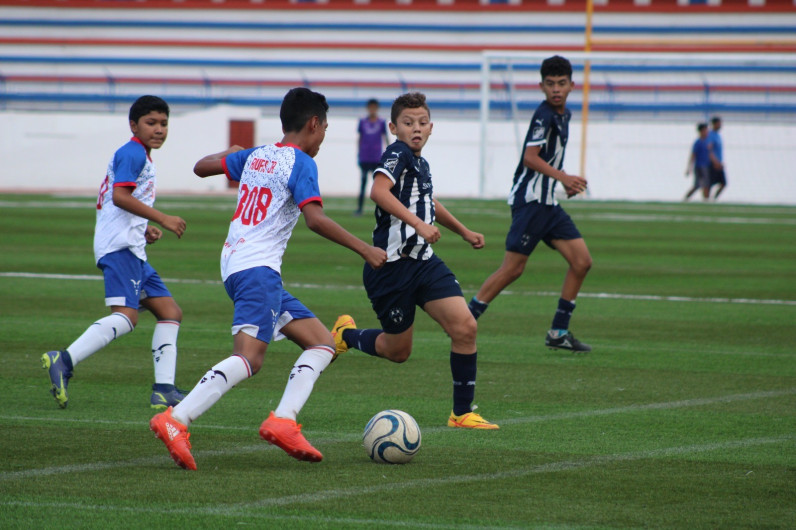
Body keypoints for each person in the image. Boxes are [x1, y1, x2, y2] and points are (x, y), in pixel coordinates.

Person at [149, 87, 387, 470]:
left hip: (239, 265)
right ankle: (177, 418)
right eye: (324, 129)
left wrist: (232, 153)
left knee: (322, 342)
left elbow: (201, 167)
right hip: (256, 269)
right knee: (249, 358)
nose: (323, 138)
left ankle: (283, 420)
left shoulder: (257, 154)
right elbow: (316, 220)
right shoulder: (301, 163)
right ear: (313, 124)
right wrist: (365, 249)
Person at [331, 92, 499, 430]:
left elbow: (428, 202)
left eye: (422, 122)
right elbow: (378, 191)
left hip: (424, 263)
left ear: (431, 127)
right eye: (408, 123)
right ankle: (346, 335)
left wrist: (463, 231)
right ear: (394, 128)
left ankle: (461, 413)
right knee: (398, 351)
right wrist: (419, 225)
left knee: (465, 327)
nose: (416, 128)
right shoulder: (398, 153)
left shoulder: (421, 163)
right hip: (391, 268)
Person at [41, 95, 188, 410]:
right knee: (126, 317)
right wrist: (161, 218)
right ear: (134, 125)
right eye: (151, 122)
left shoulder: (139, 155)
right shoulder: (131, 152)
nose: (159, 129)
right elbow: (120, 196)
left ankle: (164, 389)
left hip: (131, 246)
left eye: (164, 123)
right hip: (119, 248)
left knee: (170, 312)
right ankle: (64, 359)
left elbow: (116, 201)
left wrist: (142, 228)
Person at [467, 55, 593, 353]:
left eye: (561, 83)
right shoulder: (543, 116)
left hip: (547, 203)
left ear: (572, 85)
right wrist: (563, 177)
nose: (556, 89)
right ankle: (463, 318)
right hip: (530, 202)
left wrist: (562, 181)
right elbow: (530, 158)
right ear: (541, 86)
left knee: (582, 262)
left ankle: (558, 332)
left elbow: (549, 159)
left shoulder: (564, 114)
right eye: (550, 84)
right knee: (512, 269)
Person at [355, 98, 389, 216]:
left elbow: (385, 138)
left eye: (374, 107)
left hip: (377, 158)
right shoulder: (363, 122)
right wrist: (359, 154)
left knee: (379, 186)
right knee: (363, 183)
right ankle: (359, 209)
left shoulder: (381, 122)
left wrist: (389, 152)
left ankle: (382, 210)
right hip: (365, 157)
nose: (372, 110)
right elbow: (360, 138)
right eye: (370, 107)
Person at [684, 122, 712, 201]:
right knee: (702, 185)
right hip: (700, 167)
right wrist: (689, 168)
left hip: (706, 166)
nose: (707, 132)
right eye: (706, 130)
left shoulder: (707, 142)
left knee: (704, 185)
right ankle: (687, 199)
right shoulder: (698, 142)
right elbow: (693, 155)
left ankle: (705, 200)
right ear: (701, 131)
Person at [707, 116, 727, 200]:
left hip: (719, 163)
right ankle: (706, 200)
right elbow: (709, 150)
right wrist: (715, 162)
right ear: (714, 124)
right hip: (713, 164)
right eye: (718, 124)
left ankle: (714, 199)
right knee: (709, 184)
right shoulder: (710, 135)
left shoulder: (718, 135)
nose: (720, 125)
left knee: (723, 183)